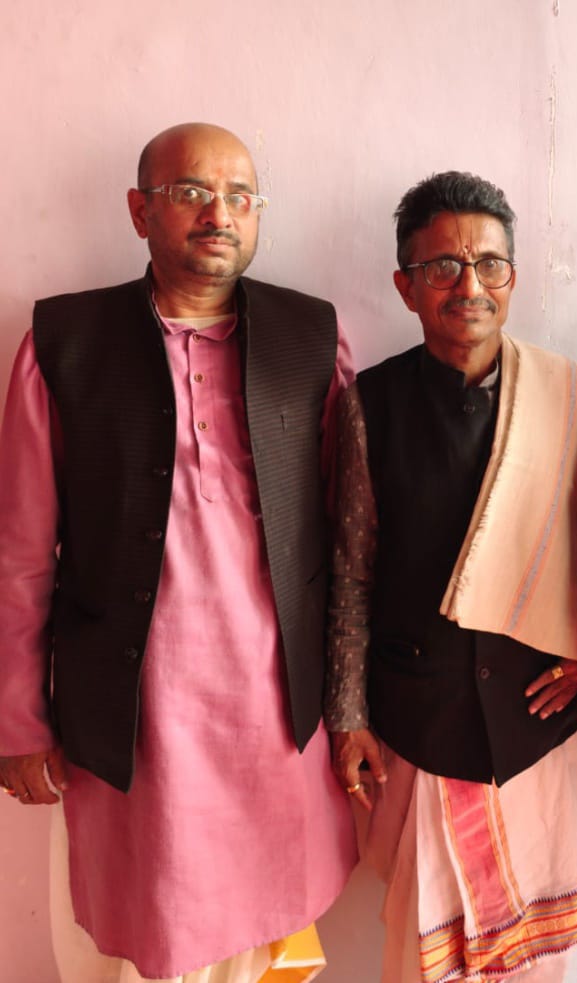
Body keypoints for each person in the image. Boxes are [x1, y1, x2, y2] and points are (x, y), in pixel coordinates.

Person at [0, 123, 358, 982]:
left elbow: (351, 543)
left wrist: (352, 705)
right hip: (133, 715)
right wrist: (18, 718)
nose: (219, 215)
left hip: (276, 712)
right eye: (192, 192)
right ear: (140, 211)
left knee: (267, 934)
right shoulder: (65, 343)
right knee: (147, 930)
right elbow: (21, 552)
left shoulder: (311, 337)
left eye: (240, 197)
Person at [325, 171, 577, 981]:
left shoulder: (569, 399)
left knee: (536, 953)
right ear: (407, 286)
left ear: (513, 278)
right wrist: (348, 714)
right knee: (423, 952)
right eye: (443, 267)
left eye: (490, 264)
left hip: (535, 723)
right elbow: (351, 569)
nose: (470, 286)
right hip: (417, 720)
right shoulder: (370, 403)